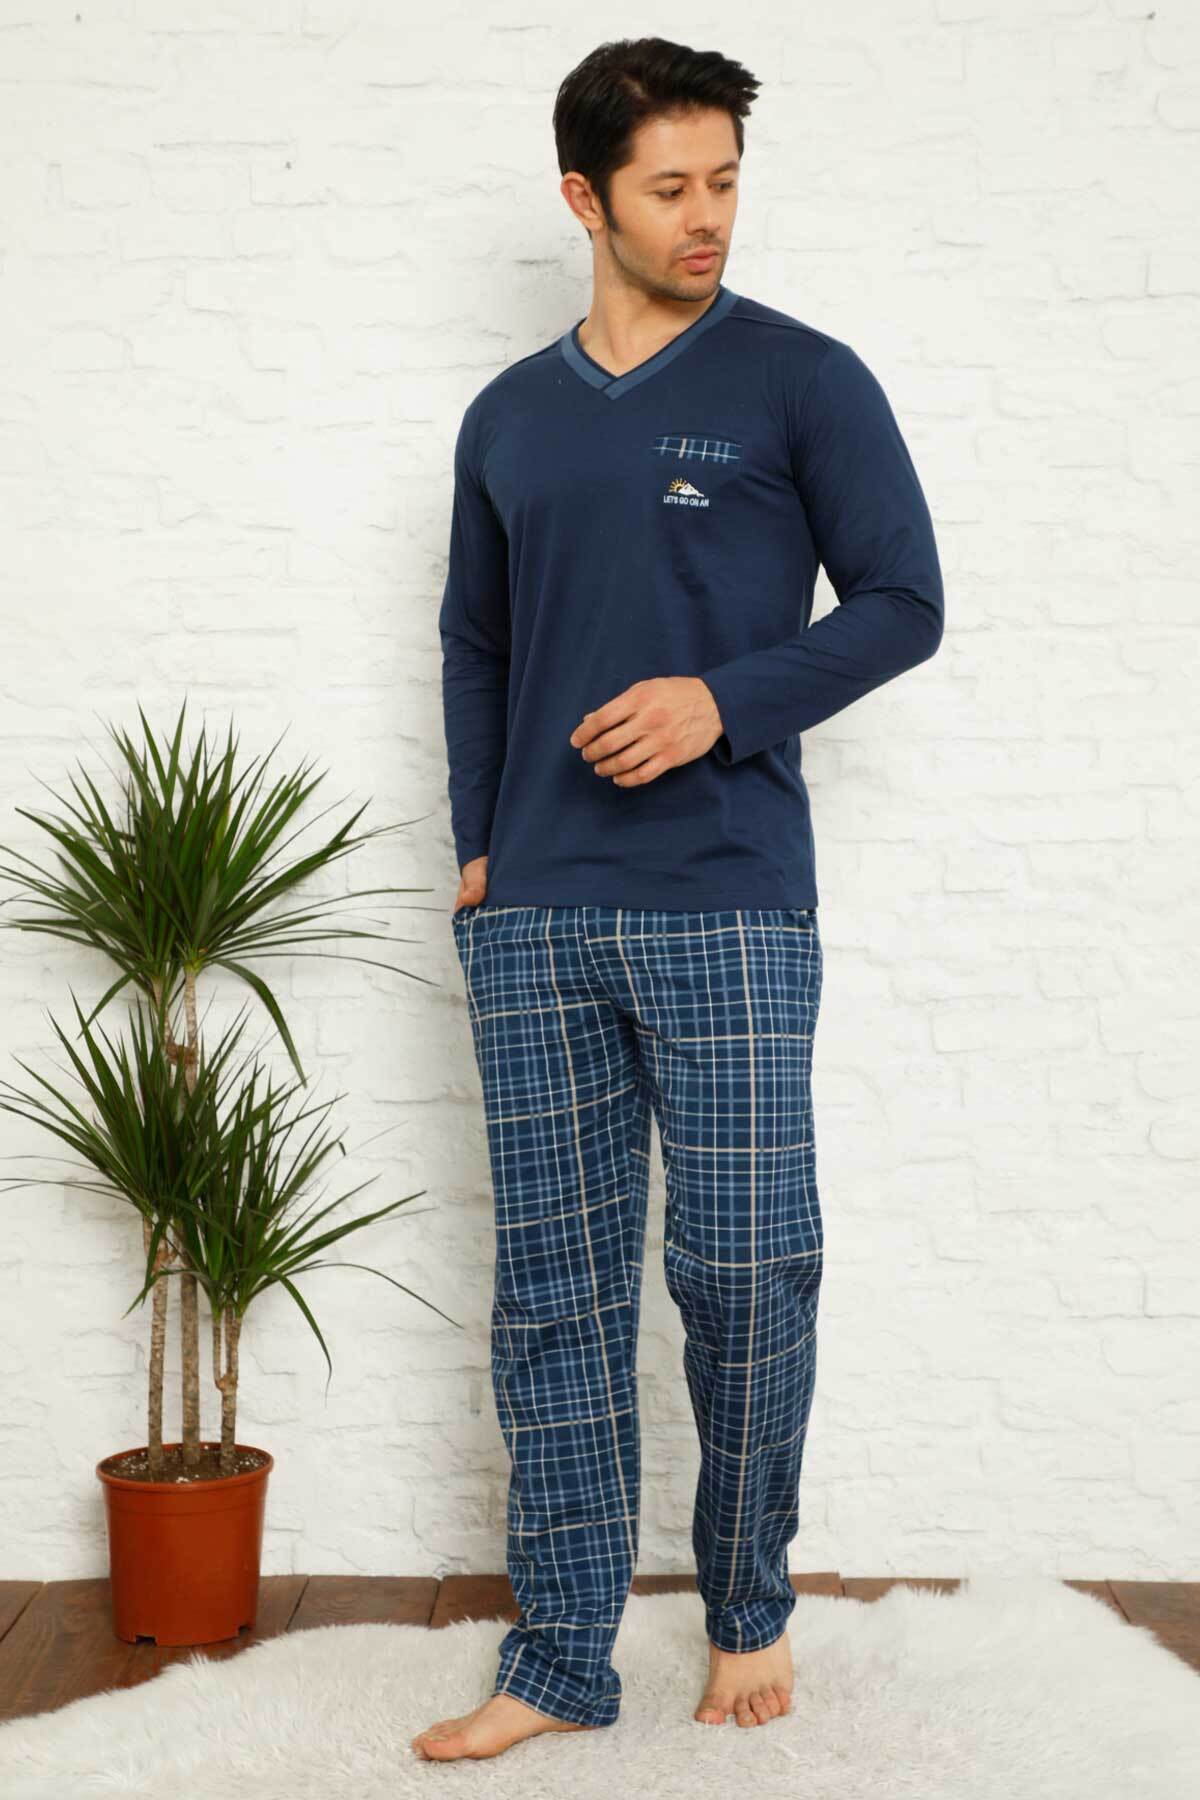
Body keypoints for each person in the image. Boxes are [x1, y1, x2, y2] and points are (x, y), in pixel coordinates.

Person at [413, 33, 944, 1765]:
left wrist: (725, 703)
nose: (707, 215)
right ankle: (560, 1658)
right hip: (536, 915)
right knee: (556, 1300)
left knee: (748, 1274)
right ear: (587, 198)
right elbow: (476, 641)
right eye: (669, 188)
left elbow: (904, 599)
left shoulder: (803, 379)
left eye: (724, 181)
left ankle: (747, 1604)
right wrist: (480, 842)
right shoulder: (510, 415)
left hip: (727, 901)